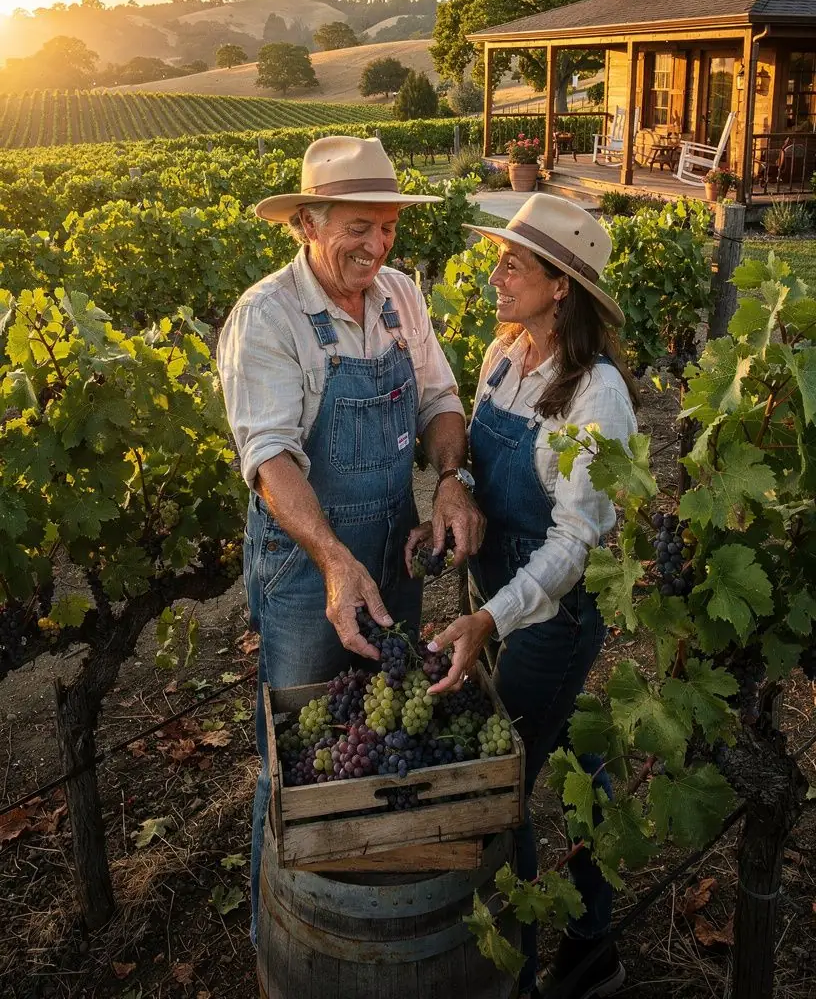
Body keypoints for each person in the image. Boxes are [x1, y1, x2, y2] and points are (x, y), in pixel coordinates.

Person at [216, 135, 483, 940]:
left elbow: (440, 396)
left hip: (391, 552)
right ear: (305, 221)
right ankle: (286, 936)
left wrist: (448, 477)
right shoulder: (268, 317)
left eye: (389, 228)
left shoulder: (402, 295)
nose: (377, 246)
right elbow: (267, 458)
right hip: (306, 572)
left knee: (374, 722)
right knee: (295, 750)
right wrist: (333, 561)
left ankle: (372, 902)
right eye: (358, 227)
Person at [412, 193, 638, 999]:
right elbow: (471, 459)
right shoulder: (504, 355)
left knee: (500, 787)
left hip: (551, 614)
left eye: (516, 263)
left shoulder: (595, 397)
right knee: (576, 761)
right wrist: (455, 500)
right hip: (495, 598)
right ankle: (593, 943)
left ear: (561, 287)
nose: (497, 273)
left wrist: (488, 615)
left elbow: (575, 548)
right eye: (500, 257)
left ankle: (530, 967)